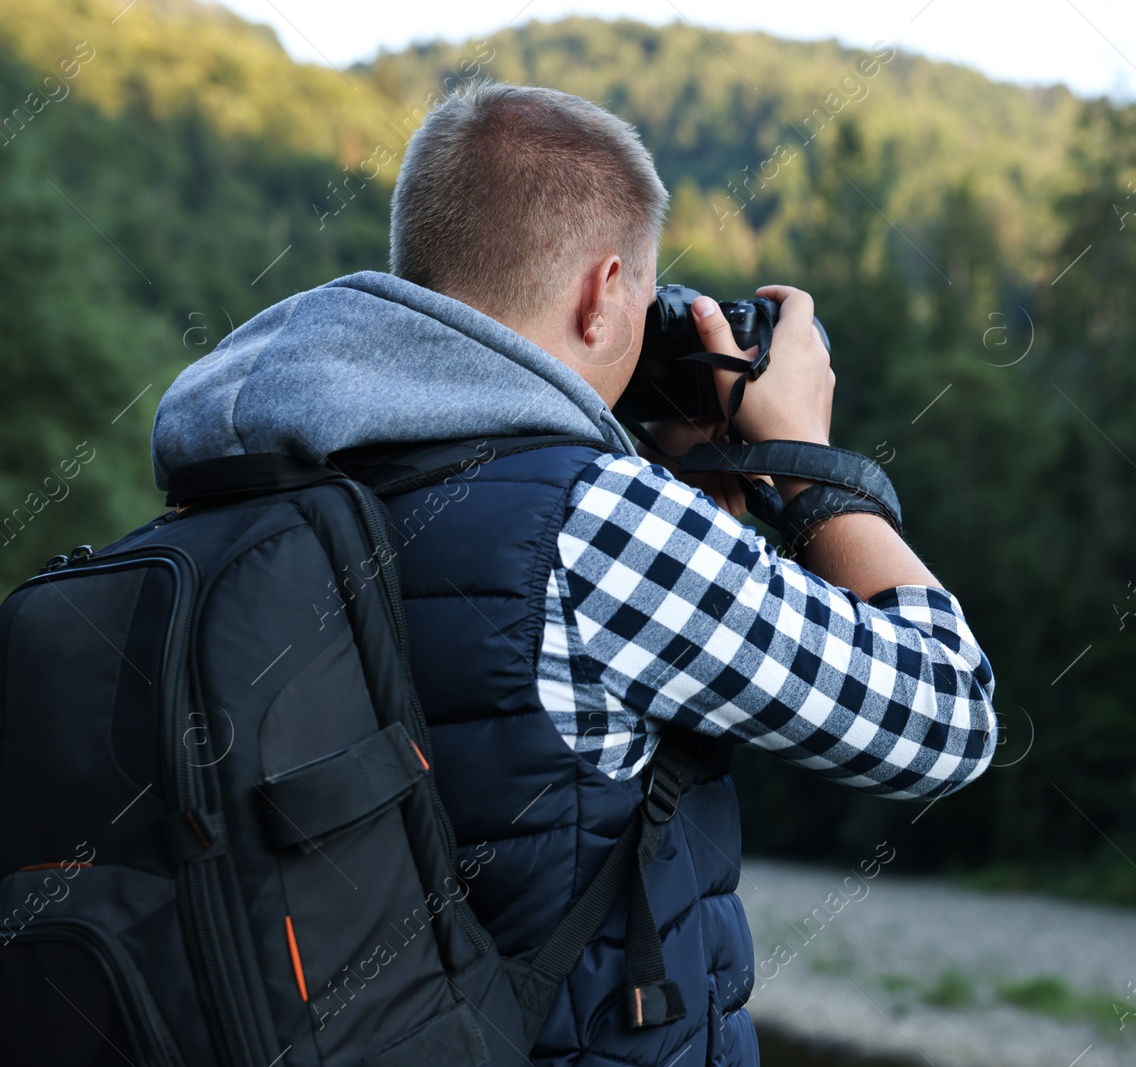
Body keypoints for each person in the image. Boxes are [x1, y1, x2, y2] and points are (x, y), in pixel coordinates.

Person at [151, 81, 997, 1066]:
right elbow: (945, 719)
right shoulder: (598, 521)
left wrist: (702, 493)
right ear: (601, 296)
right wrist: (803, 459)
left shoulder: (227, 493)